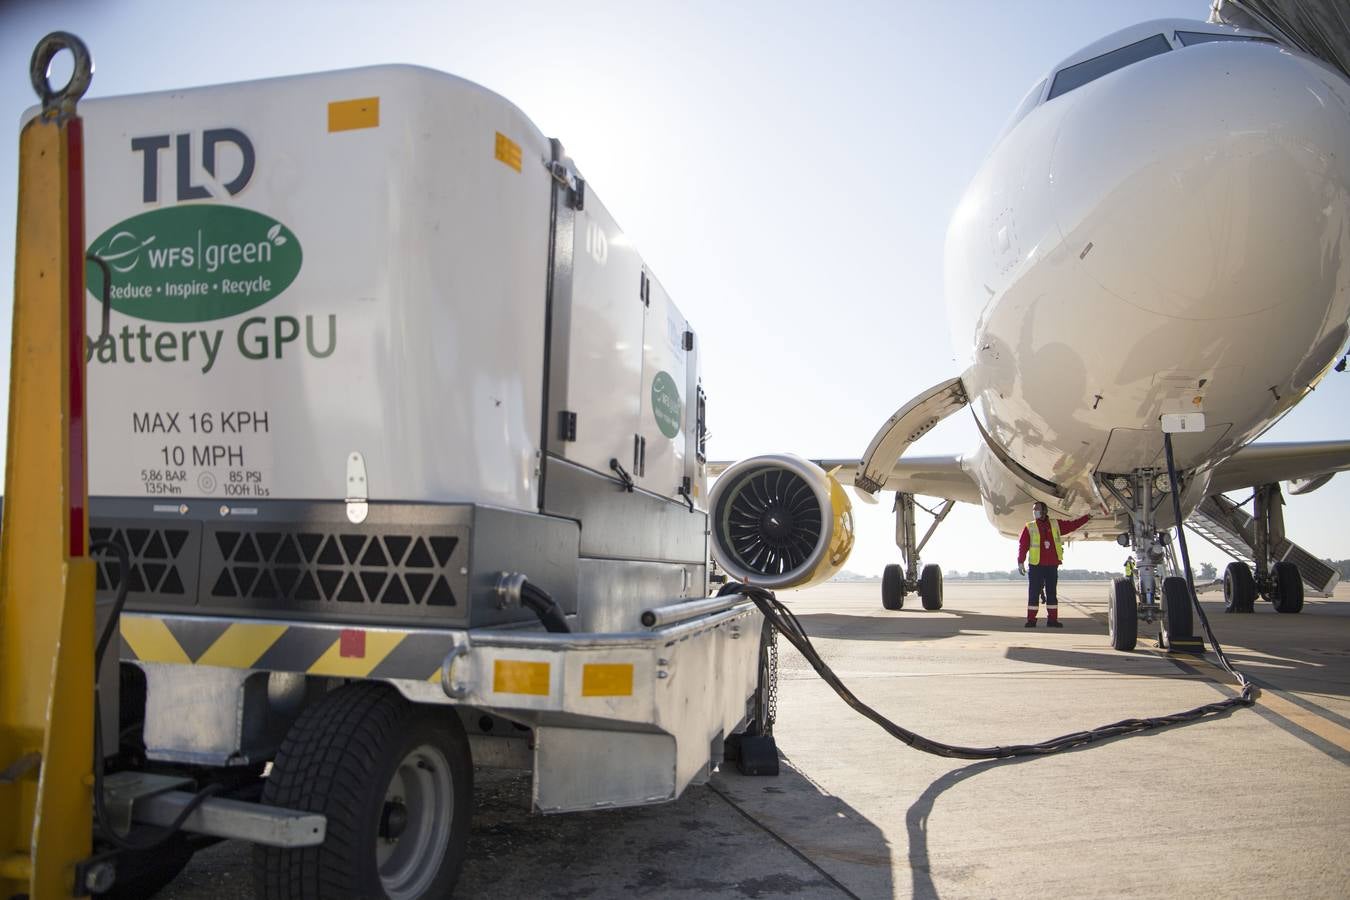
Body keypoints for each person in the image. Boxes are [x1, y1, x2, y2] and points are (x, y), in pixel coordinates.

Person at [1016, 501, 1091, 628]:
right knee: (1033, 593)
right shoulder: (1030, 527)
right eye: (1034, 510)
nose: (1035, 512)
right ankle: (1031, 620)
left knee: (1052, 593)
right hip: (1036, 565)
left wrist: (1087, 517)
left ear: (1045, 511)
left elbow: (1073, 525)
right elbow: (1023, 545)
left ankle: (1052, 620)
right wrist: (1020, 561)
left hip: (1051, 565)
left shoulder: (1056, 524)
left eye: (1037, 509)